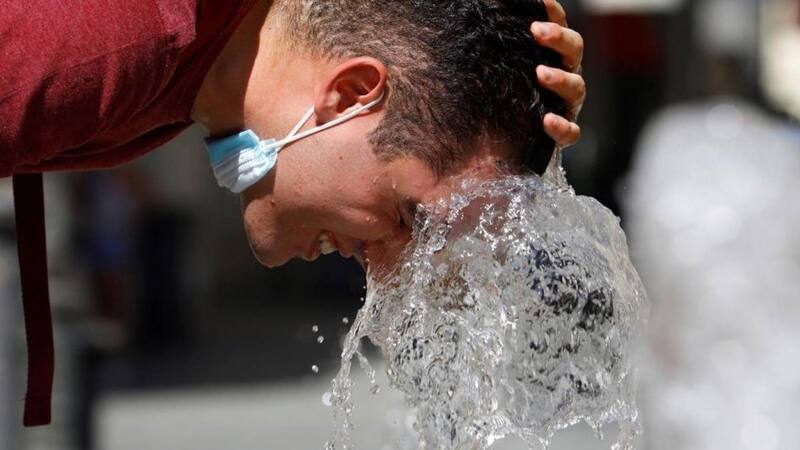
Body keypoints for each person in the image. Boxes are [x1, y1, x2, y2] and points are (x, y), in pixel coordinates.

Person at [1, 0, 586, 427]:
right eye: (406, 218)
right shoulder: (116, 36)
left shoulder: (188, 54)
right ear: (351, 93)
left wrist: (506, 76)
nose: (383, 272)